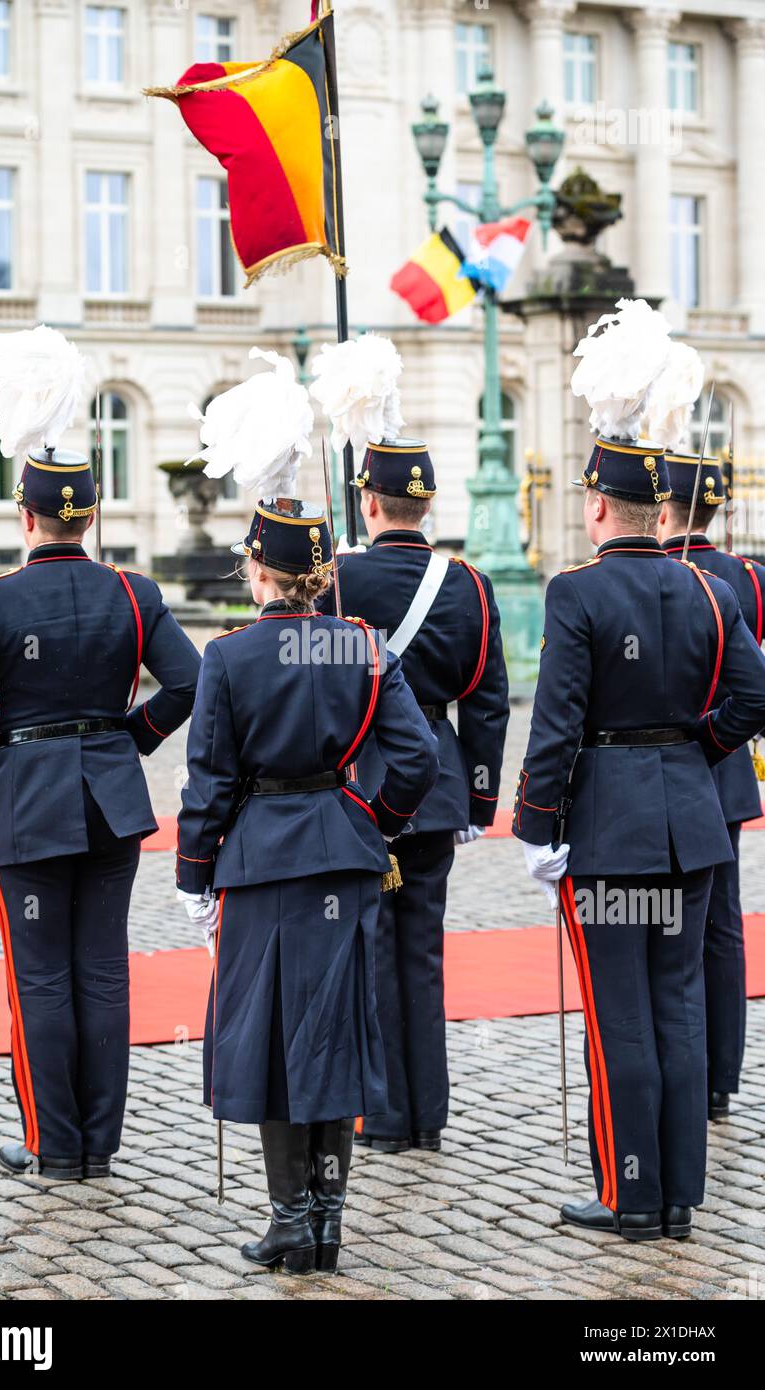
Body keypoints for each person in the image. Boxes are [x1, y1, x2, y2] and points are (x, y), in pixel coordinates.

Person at [176, 497, 439, 1273]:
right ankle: (324, 1225)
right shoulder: (363, 647)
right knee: (335, 1037)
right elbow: (417, 758)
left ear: (257, 568)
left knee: (271, 1044)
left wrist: (195, 874)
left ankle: (293, 1220)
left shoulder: (227, 656)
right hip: (344, 853)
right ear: (321, 574)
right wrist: (373, 818)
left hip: (260, 864)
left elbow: (209, 784)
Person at [515, 434, 765, 1242]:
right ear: (660, 511)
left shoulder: (576, 592)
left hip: (608, 834)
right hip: (691, 827)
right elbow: (753, 696)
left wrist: (536, 825)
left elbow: (554, 724)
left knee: (618, 1017)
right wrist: (700, 748)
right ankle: (679, 1196)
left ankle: (631, 1195)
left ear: (595, 506)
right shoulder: (708, 588)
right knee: (678, 1009)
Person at [0, 438, 201, 1181]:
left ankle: (56, 1145)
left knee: (42, 979)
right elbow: (189, 682)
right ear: (91, 515)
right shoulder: (134, 594)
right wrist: (128, 740)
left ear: (27, 516)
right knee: (105, 973)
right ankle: (99, 1144)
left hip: (26, 808)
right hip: (110, 801)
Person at [316, 438, 509, 1152]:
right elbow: (488, 702)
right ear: (426, 505)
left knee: (364, 949)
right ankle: (426, 1112)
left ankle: (381, 1113)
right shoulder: (468, 583)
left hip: (356, 781)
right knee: (421, 952)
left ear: (368, 502)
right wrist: (480, 799)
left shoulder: (335, 580)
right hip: (436, 780)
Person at [657, 454, 765, 1122]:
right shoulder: (750, 577)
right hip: (723, 763)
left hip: (671, 762)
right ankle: (721, 1075)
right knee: (722, 925)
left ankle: (684, 1070)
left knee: (668, 928)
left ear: (661, 508)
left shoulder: (660, 576)